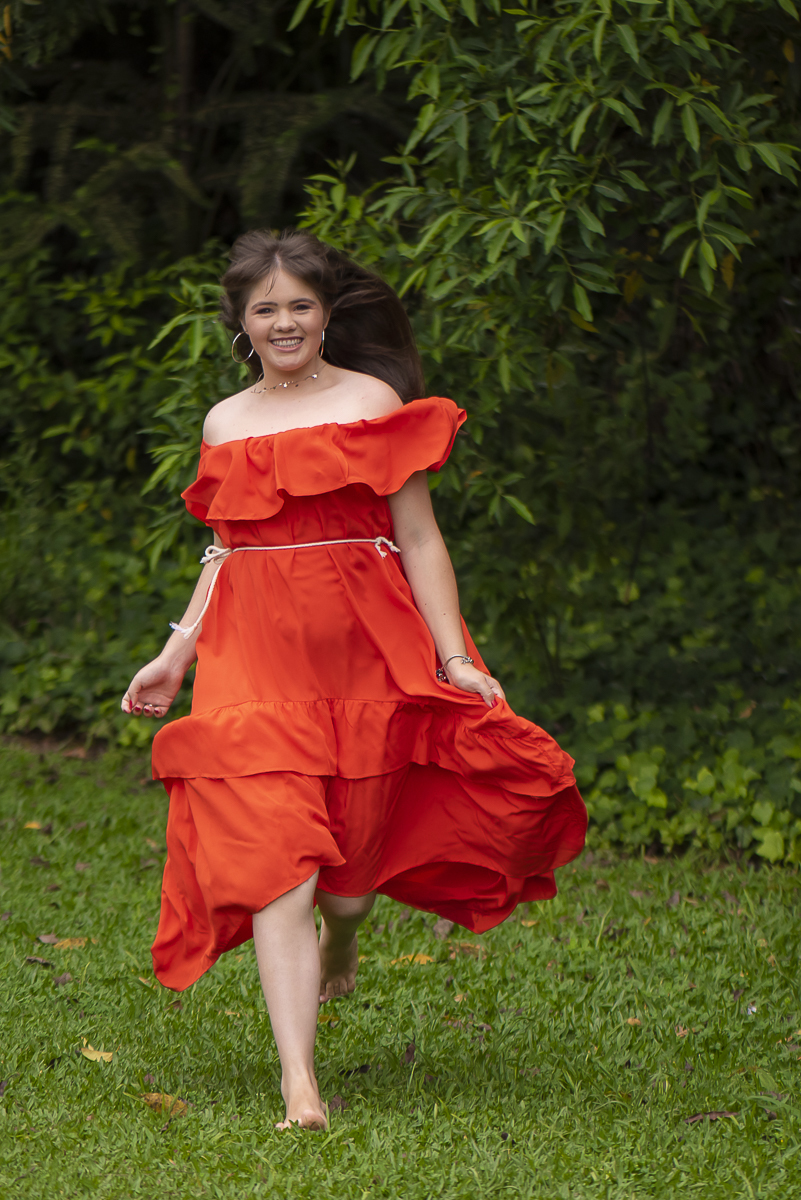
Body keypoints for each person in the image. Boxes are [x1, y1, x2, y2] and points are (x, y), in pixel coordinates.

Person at [121, 228, 587, 1131]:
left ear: (328, 314)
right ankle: (300, 1085)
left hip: (364, 645)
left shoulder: (372, 401)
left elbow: (418, 538)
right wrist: (176, 652)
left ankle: (345, 934)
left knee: (345, 881)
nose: (284, 321)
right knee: (277, 865)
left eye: (300, 304)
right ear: (241, 324)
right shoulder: (225, 420)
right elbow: (226, 546)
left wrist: (452, 657)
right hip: (253, 653)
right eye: (266, 309)